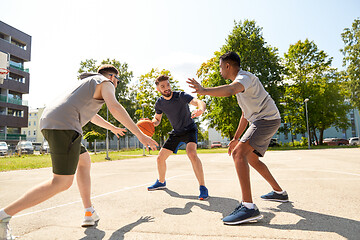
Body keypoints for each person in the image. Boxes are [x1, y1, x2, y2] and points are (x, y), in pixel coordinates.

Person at [0, 65, 158, 239]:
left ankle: (88, 211)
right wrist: (140, 135)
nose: (117, 84)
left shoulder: (87, 84)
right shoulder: (106, 82)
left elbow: (92, 116)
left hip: (53, 121)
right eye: (118, 81)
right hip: (65, 125)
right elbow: (115, 107)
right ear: (112, 77)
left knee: (84, 160)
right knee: (61, 182)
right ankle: (4, 216)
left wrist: (112, 127)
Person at [187, 52, 288, 225]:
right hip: (263, 119)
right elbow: (245, 114)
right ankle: (279, 193)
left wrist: (204, 91)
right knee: (251, 157)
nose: (220, 70)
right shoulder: (242, 86)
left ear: (227, 66)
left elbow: (230, 90)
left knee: (238, 154)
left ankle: (248, 207)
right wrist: (235, 137)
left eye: (220, 67)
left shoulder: (244, 78)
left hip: (266, 120)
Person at [147, 75, 209, 200]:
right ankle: (161, 182)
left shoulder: (180, 96)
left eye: (167, 85)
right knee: (160, 158)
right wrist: (151, 123)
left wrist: (201, 109)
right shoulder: (160, 103)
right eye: (162, 86)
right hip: (176, 132)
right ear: (158, 89)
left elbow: (198, 101)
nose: (166, 88)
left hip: (189, 129)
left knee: (191, 153)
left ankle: (203, 187)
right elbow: (157, 119)